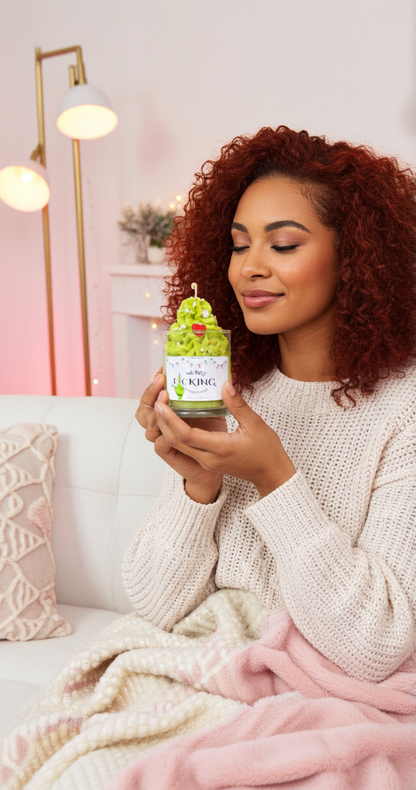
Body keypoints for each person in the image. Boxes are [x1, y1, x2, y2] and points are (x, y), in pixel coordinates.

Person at [123, 126, 416, 684]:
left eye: (282, 245)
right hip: (205, 675)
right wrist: (198, 484)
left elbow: (376, 646)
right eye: (238, 244)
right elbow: (156, 607)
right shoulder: (231, 390)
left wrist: (274, 476)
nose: (249, 267)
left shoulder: (404, 412)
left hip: (327, 699)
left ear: (357, 256)